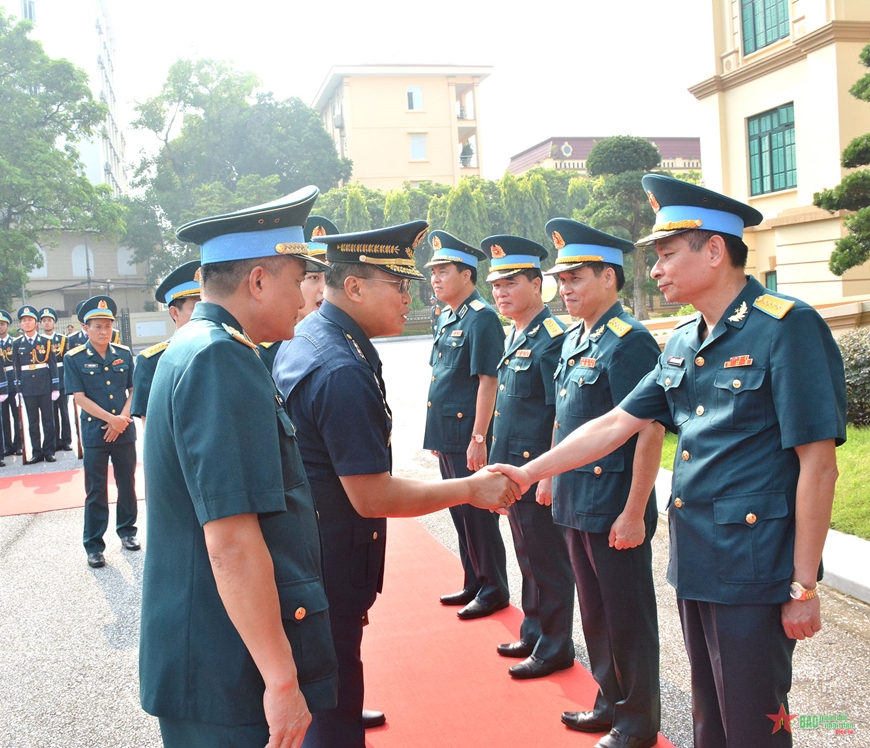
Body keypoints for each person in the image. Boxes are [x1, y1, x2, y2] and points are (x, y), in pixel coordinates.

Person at [490, 174, 846, 748]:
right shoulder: (683, 340)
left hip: (756, 567)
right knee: (710, 718)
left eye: (666, 255)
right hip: (698, 558)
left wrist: (804, 586)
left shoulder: (787, 327)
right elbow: (614, 424)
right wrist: (531, 472)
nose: (654, 271)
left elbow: (818, 464)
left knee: (753, 721)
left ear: (714, 249)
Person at [272, 220, 520, 748]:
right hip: (329, 560)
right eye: (400, 285)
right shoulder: (339, 366)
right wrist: (471, 490)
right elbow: (373, 495)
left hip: (316, 552)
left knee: (335, 683)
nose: (412, 297)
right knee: (332, 713)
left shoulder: (317, 335)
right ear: (355, 286)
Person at [139, 188, 340, 748]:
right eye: (300, 277)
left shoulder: (198, 346)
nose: (308, 297)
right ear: (258, 280)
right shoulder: (219, 358)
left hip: (215, 648)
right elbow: (229, 538)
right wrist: (280, 678)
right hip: (225, 667)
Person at [543, 219, 663, 744]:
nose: (565, 289)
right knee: (594, 613)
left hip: (615, 502)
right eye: (561, 280)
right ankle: (608, 702)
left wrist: (636, 509)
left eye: (577, 278)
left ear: (610, 278)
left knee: (627, 617)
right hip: (574, 499)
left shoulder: (629, 341)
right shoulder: (575, 338)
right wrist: (548, 473)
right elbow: (566, 417)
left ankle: (637, 722)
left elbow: (648, 431)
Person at [480, 234, 575, 679]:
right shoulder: (514, 333)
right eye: (496, 285)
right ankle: (535, 628)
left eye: (511, 283)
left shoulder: (551, 337)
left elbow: (559, 412)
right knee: (527, 552)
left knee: (548, 560)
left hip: (536, 469)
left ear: (538, 285)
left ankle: (556, 644)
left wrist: (549, 473)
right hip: (513, 469)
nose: (500, 292)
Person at [423, 230, 509, 618]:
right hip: (446, 432)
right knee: (459, 511)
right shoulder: (446, 315)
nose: (435, 278)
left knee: (477, 513)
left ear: (467, 275)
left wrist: (479, 436)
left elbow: (487, 380)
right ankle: (473, 579)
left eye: (443, 271)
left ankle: (493, 587)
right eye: (433, 272)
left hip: (466, 434)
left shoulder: (482, 318)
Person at [64, 296, 139, 568]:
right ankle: (94, 545)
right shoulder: (74, 358)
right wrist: (111, 419)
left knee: (127, 484)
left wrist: (122, 418)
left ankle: (128, 532)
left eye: (107, 325)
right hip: (96, 433)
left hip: (124, 432)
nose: (103, 331)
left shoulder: (124, 354)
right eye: (97, 326)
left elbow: (133, 391)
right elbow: (79, 398)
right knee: (96, 490)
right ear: (85, 328)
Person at [258, 215, 337, 372]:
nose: (324, 288)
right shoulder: (267, 353)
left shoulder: (340, 342)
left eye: (330, 278)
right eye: (313, 277)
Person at [131, 260, 201, 425]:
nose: (205, 313)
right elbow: (150, 426)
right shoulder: (151, 361)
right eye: (197, 307)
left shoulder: (222, 351)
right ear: (175, 313)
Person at [11, 305, 58, 464]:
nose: (27, 323)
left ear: (36, 323)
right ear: (21, 324)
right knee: (32, 422)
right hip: (27, 387)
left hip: (44, 385)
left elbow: (52, 364)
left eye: (30, 320)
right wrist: (18, 389)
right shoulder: (17, 343)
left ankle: (49, 451)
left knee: (48, 420)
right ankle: (37, 452)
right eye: (24, 321)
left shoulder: (45, 341)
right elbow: (16, 367)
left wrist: (55, 386)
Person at [40, 307, 72, 452]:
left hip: (61, 378)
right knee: (50, 413)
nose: (47, 323)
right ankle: (54, 441)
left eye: (49, 320)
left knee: (64, 412)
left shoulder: (63, 339)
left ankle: (66, 441)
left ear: (54, 322)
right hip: (46, 381)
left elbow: (67, 361)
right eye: (44, 321)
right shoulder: (39, 341)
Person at [1, 309, 22, 459]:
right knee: (3, 417)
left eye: (2, 324)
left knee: (17, 415)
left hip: (13, 379)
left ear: (7, 325)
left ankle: (18, 444)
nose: (0, 327)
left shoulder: (14, 343)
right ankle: (6, 445)